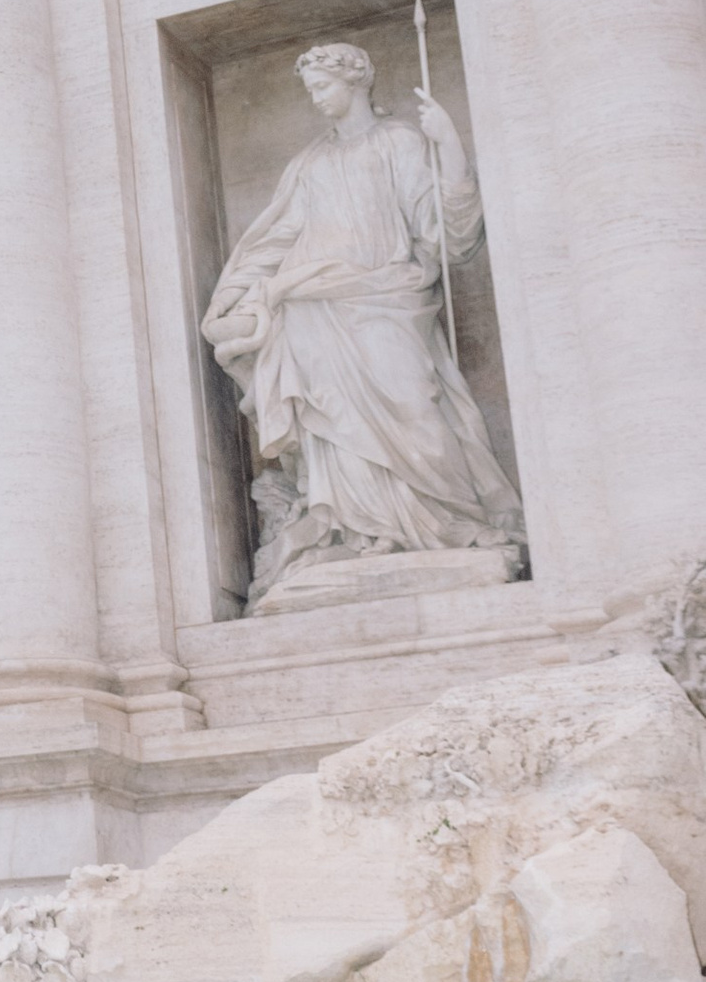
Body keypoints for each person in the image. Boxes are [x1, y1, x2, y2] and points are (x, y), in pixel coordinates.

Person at [202, 41, 523, 596]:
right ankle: (358, 530)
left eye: (323, 86)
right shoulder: (309, 164)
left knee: (414, 405)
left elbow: (447, 234)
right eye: (310, 90)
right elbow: (275, 239)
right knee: (333, 422)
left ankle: (447, 523)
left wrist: (449, 146)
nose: (316, 98)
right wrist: (230, 298)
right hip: (313, 310)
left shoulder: (400, 141)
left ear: (357, 82)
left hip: (388, 299)